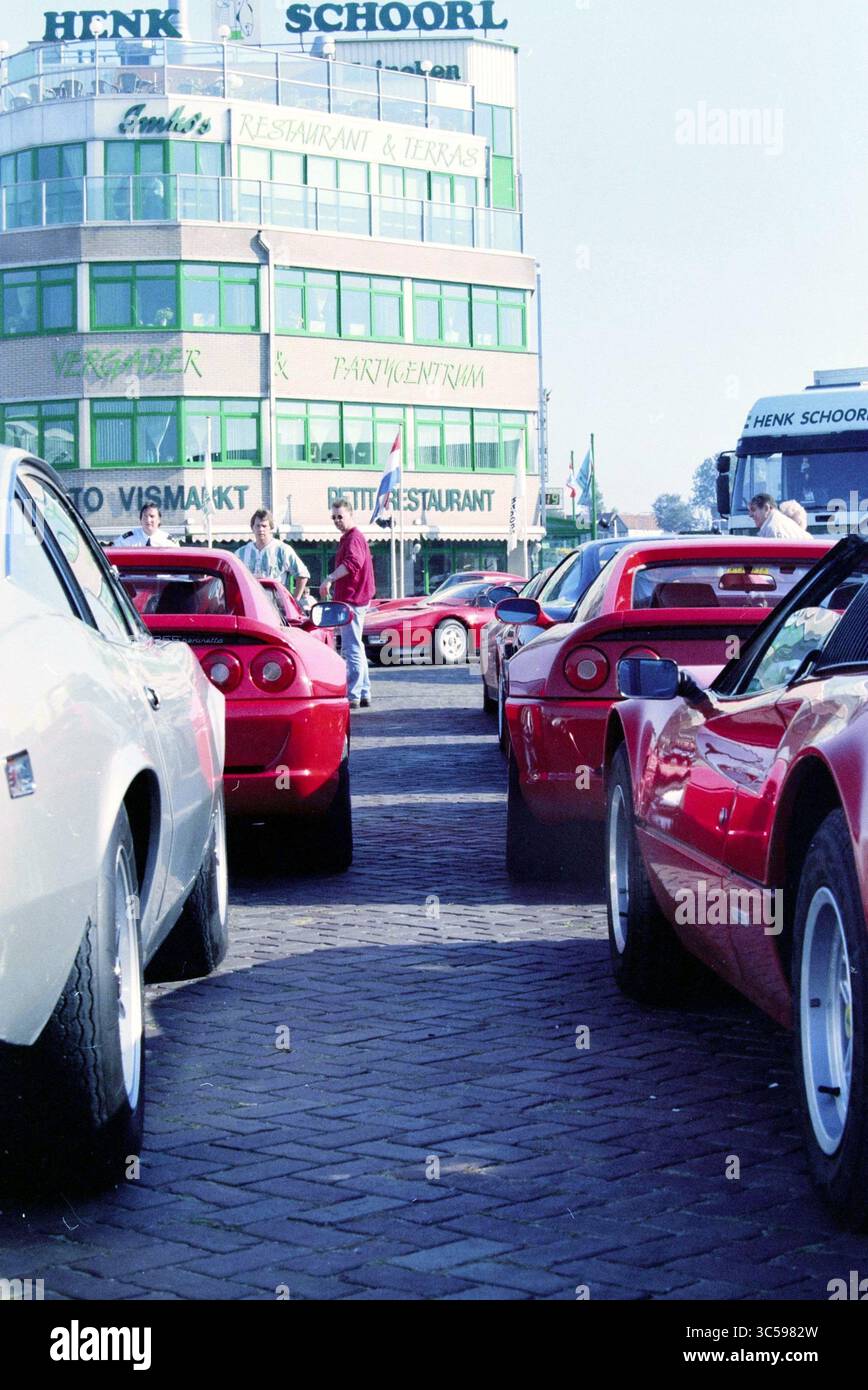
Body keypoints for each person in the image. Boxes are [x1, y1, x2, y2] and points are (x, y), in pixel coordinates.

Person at [320, 497, 376, 710]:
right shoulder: (349, 537)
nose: (336, 520)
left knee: (351, 647)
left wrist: (329, 578)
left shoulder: (353, 538)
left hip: (353, 598)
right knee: (357, 646)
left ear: (351, 515)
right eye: (333, 517)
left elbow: (353, 563)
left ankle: (353, 694)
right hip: (354, 597)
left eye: (340, 516)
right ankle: (363, 692)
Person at [237, 509, 310, 602]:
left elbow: (303, 575)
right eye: (258, 526)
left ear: (270, 528)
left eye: (264, 526)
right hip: (250, 604)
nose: (261, 529)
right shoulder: (241, 553)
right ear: (252, 528)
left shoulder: (283, 550)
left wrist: (294, 601)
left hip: (276, 606)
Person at [112, 503, 178, 548]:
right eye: (145, 516)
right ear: (140, 520)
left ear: (159, 520)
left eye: (152, 516)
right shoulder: (126, 540)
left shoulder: (169, 543)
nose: (148, 520)